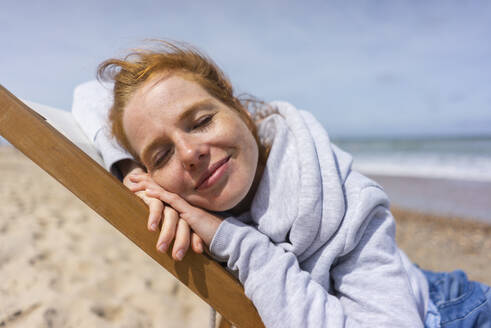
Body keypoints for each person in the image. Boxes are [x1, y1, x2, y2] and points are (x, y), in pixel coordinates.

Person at [72, 41, 491, 327]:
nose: (188, 153)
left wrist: (233, 241)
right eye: (161, 155)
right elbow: (88, 95)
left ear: (237, 107)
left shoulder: (338, 199)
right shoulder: (163, 182)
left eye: (201, 121)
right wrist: (129, 169)